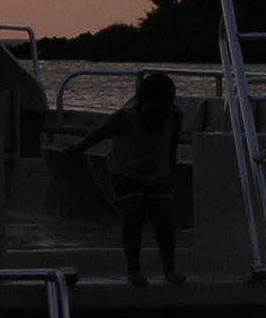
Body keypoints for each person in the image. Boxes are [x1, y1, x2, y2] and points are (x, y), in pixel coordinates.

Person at [68, 70, 186, 286]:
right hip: (124, 170)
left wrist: (172, 155)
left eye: (164, 108)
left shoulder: (175, 115)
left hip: (157, 171)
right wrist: (77, 149)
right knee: (135, 215)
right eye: (153, 109)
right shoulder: (126, 116)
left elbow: (173, 136)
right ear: (142, 101)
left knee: (164, 218)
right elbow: (98, 134)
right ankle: (133, 270)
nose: (158, 115)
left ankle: (170, 270)